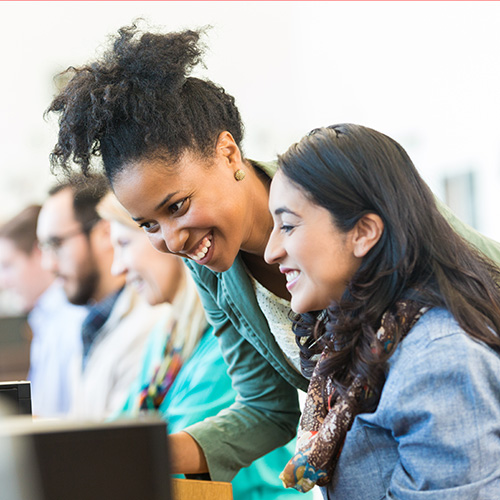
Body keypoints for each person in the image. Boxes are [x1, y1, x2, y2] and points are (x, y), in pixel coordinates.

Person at [45, 23, 500, 484]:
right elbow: (266, 407)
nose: (173, 242)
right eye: (147, 225)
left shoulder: (341, 189)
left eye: (177, 206)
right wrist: (143, 455)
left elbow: (476, 283)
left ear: (227, 153)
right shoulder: (214, 269)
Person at [265, 123, 500, 497]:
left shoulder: (438, 359)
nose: (270, 251)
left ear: (363, 232)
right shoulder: (367, 338)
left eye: (288, 226)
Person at [98, 191, 310, 499]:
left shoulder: (224, 342)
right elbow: (122, 429)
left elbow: (171, 457)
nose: (117, 268)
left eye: (124, 244)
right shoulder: (166, 337)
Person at [36, 174, 165, 419]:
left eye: (56, 244)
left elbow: (117, 440)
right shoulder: (92, 322)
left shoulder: (149, 323)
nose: (48, 264)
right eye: (44, 248)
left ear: (104, 233)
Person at [0, 205, 87, 417]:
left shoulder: (70, 320)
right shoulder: (46, 320)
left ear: (39, 254)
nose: (3, 282)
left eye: (8, 265)